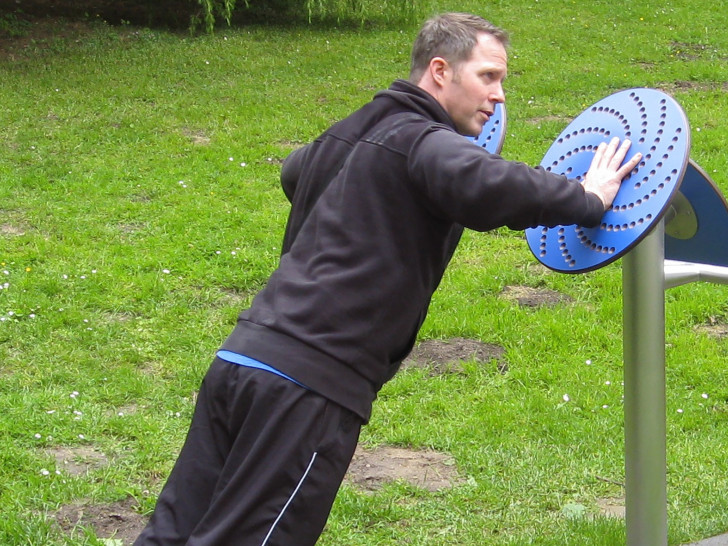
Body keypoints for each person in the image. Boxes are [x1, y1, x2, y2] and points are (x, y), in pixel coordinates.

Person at [135, 12, 641, 546]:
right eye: (489, 77)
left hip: (242, 361)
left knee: (171, 532)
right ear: (440, 71)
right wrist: (588, 196)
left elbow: (294, 171)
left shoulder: (350, 133)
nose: (500, 96)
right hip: (308, 387)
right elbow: (489, 184)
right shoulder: (424, 142)